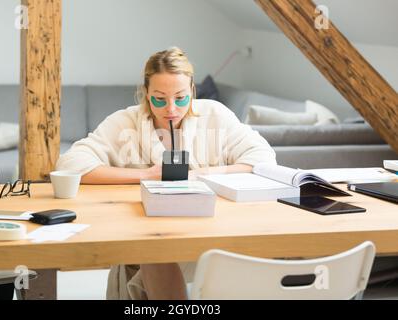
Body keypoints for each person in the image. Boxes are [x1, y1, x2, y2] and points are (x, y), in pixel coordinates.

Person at [56, 47, 277, 299]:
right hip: (149, 233)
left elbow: (262, 158)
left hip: (209, 230)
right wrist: (148, 175)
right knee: (156, 255)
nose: (171, 108)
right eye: (159, 99)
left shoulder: (215, 115)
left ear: (192, 91)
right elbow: (70, 164)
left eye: (181, 98)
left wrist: (199, 175)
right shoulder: (126, 121)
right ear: (146, 93)